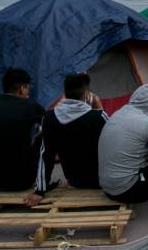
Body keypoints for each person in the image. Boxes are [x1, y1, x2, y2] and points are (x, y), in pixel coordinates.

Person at [25, 73, 108, 206]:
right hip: (103, 181)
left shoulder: (49, 118)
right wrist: (98, 108)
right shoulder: (98, 117)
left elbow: (46, 155)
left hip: (75, 180)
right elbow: (113, 140)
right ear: (87, 94)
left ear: (65, 93)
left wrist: (39, 191)